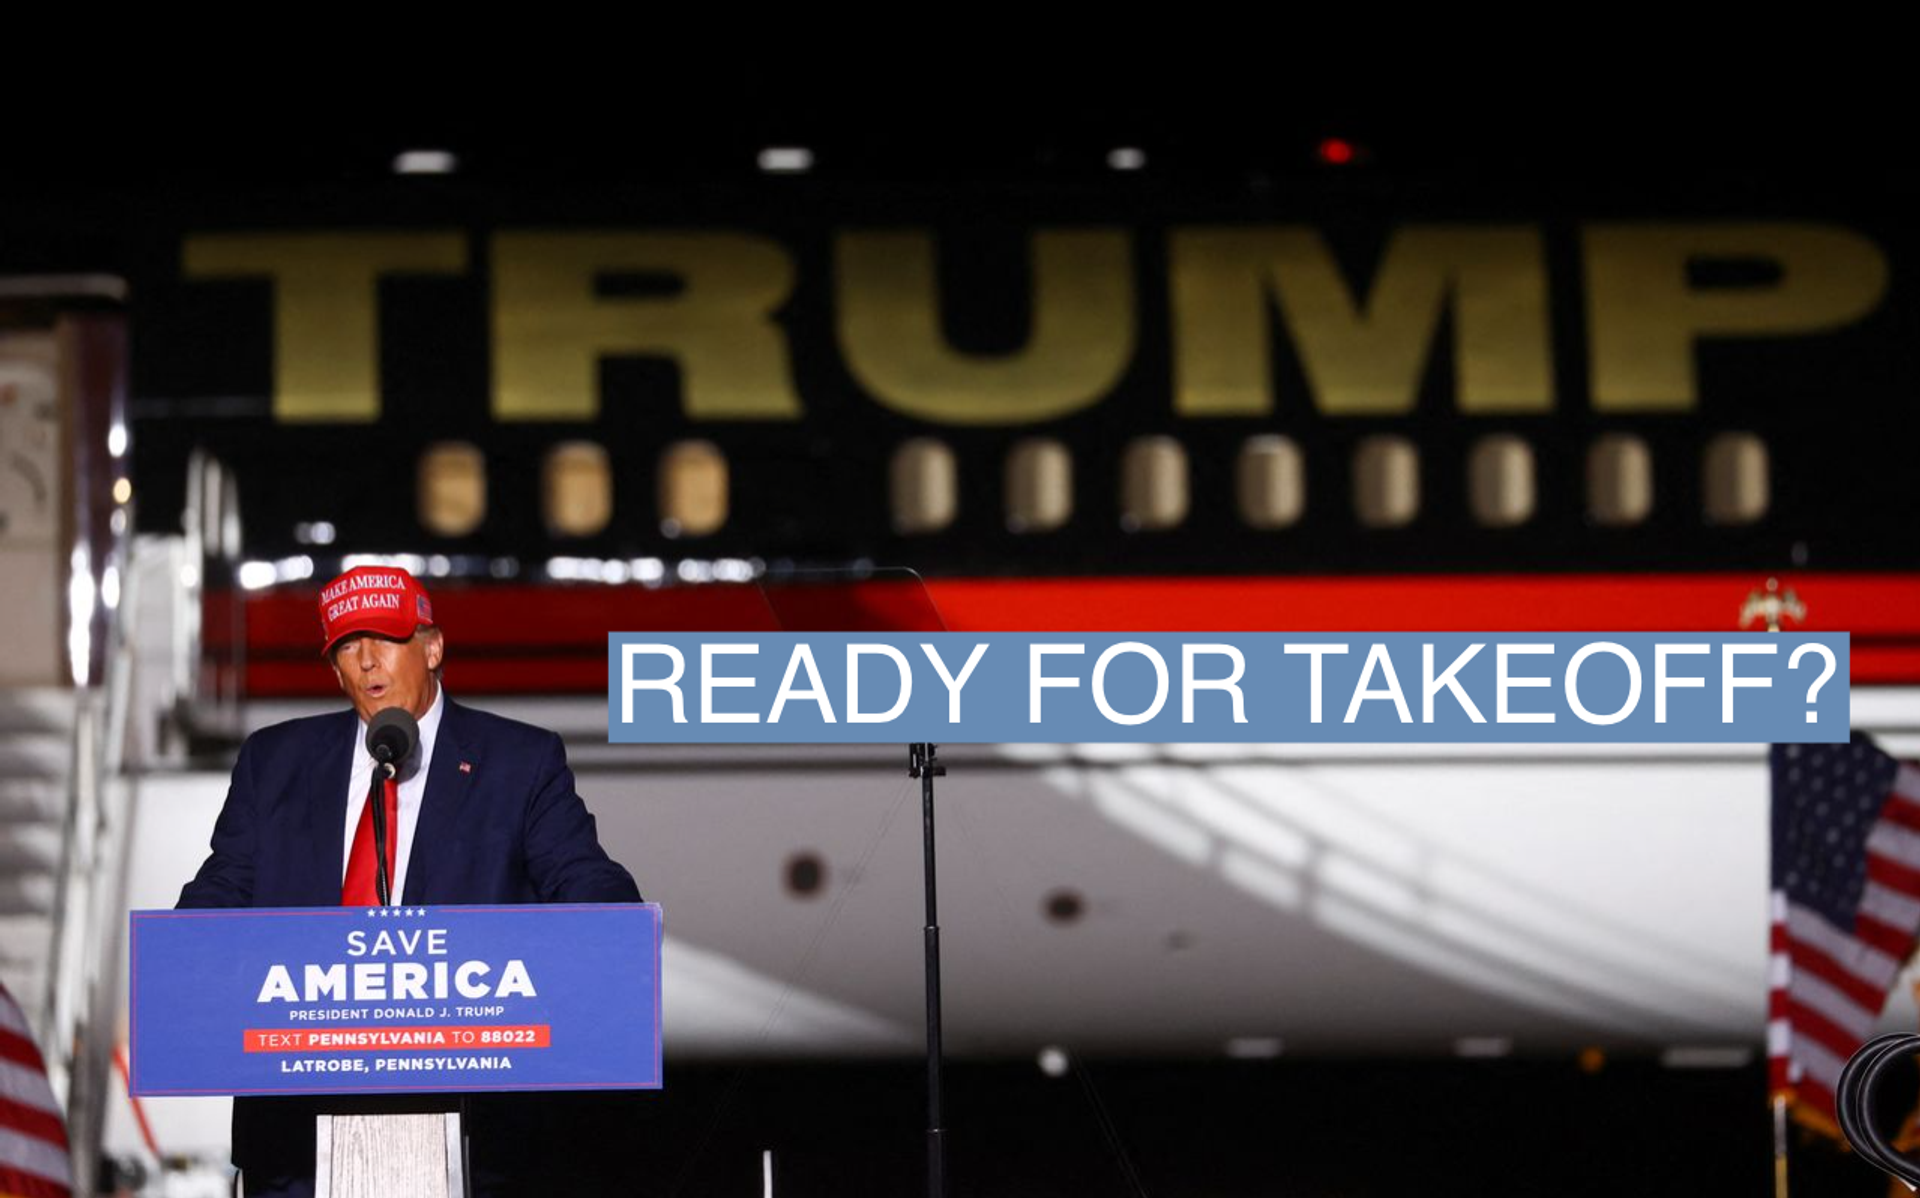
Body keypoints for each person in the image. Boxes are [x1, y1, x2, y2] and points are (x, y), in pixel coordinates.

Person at [178, 565, 643, 1196]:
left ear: (433, 647)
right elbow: (222, 891)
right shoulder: (274, 761)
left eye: (385, 639)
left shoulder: (519, 761)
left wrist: (615, 934)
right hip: (297, 1146)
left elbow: (585, 881)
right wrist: (179, 955)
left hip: (473, 1141)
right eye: (346, 645)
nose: (367, 662)